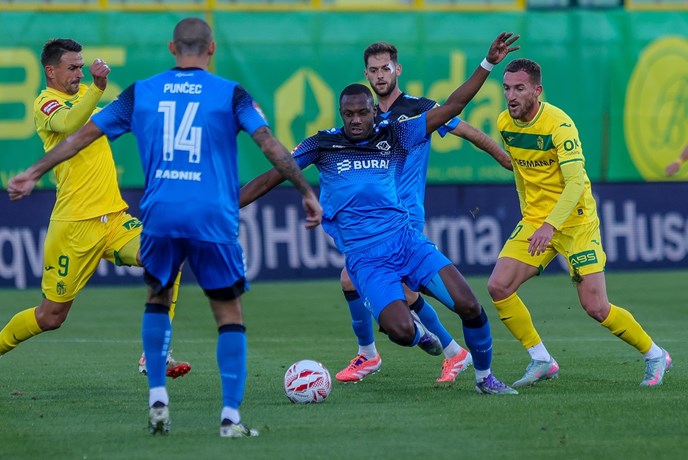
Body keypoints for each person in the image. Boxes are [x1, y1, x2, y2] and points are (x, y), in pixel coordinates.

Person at [5, 18, 322, 437]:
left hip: (161, 213)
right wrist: (305, 189)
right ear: (211, 49)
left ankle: (158, 399)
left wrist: (32, 172)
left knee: (157, 295)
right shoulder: (231, 93)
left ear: (172, 48)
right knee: (228, 313)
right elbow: (269, 144)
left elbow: (81, 137)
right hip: (210, 214)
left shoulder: (142, 92)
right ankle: (230, 418)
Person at [241, 32, 520, 395]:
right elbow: (269, 178)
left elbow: (453, 107)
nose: (356, 120)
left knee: (469, 304)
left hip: (407, 241)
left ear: (375, 111)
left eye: (362, 112)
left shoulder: (397, 133)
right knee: (401, 331)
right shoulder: (323, 144)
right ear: (341, 114)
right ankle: (416, 337)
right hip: (367, 258)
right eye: (348, 114)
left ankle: (485, 379)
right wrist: (226, 208)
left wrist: (487, 64)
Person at [0, 38, 192, 403]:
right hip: (74, 227)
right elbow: (70, 124)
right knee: (51, 317)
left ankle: (155, 351)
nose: (79, 74)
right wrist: (99, 88)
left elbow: (127, 116)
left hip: (114, 218)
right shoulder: (46, 103)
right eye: (72, 68)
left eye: (81, 67)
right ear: (51, 71)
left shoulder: (87, 95)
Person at [333, 42, 515, 384]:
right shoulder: (364, 117)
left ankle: (371, 354)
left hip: (405, 219)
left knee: (352, 278)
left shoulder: (419, 109)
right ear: (365, 74)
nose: (380, 75)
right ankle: (452, 351)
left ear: (397, 69)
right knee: (404, 292)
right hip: (376, 223)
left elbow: (467, 130)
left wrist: (504, 158)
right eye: (373, 70)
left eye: (385, 68)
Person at [487, 58, 672, 387]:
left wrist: (550, 225)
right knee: (498, 287)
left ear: (537, 91)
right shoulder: (505, 123)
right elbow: (520, 174)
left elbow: (575, 184)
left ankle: (655, 354)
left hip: (576, 221)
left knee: (596, 307)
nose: (511, 96)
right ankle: (541, 359)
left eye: (519, 88)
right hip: (536, 220)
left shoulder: (560, 125)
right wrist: (529, 213)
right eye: (506, 88)